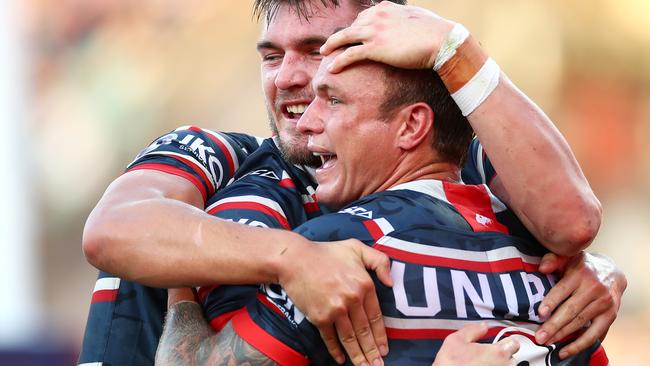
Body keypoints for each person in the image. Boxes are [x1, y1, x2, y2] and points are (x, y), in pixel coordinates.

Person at [78, 0, 625, 365]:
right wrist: (291, 257)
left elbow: (570, 222)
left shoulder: (463, 175)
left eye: (318, 51)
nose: (290, 77)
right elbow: (112, 231)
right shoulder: (222, 159)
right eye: (272, 56)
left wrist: (594, 266)